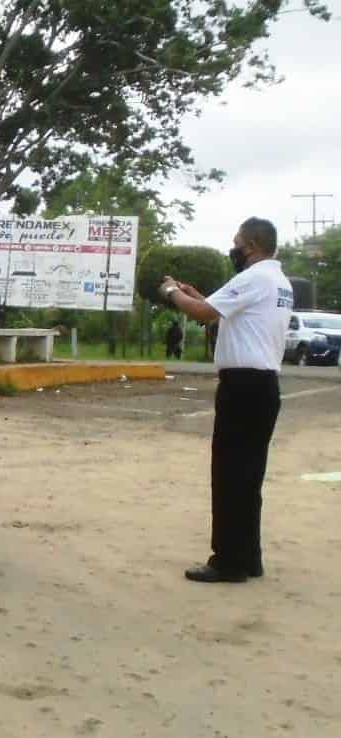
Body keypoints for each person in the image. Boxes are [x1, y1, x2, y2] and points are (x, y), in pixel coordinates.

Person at [159, 216, 291, 583]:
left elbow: (202, 314)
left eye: (237, 243)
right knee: (249, 477)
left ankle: (227, 561)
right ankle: (249, 556)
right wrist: (196, 294)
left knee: (229, 474)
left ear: (250, 246)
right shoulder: (277, 281)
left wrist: (172, 292)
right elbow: (221, 313)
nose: (234, 249)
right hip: (264, 386)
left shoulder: (253, 277)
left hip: (243, 387)